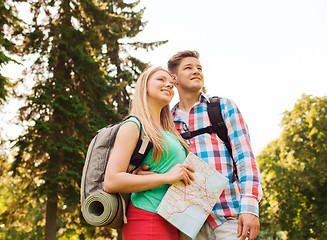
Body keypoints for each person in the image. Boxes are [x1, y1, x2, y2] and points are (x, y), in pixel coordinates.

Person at [167, 50, 263, 240]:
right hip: (188, 224)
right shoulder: (168, 122)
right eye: (188, 68)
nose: (196, 71)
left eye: (199, 68)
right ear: (174, 79)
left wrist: (250, 207)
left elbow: (245, 158)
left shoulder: (222, 107)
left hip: (230, 218)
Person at [103, 66, 194, 240]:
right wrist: (166, 177)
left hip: (172, 221)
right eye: (161, 79)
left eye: (171, 84)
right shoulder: (133, 126)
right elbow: (111, 180)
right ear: (144, 86)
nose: (169, 85)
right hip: (148, 219)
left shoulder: (170, 132)